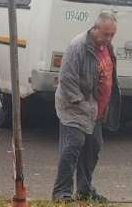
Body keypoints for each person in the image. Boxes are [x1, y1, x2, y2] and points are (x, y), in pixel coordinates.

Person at [52, 12, 122, 203]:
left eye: (112, 35)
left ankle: (84, 191)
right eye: (106, 34)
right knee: (72, 148)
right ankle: (61, 194)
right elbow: (66, 79)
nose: (108, 39)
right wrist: (80, 102)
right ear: (95, 28)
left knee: (93, 149)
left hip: (95, 111)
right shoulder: (78, 47)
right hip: (74, 108)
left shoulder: (107, 46)